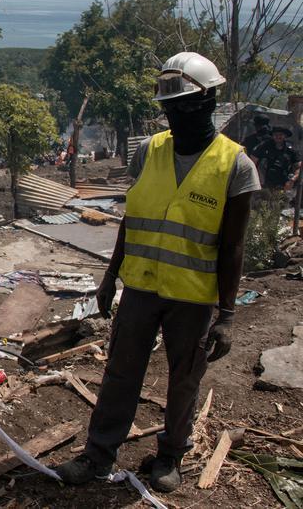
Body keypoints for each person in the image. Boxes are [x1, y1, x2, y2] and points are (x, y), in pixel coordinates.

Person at [54, 52, 259, 493]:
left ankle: (170, 456)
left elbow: (233, 246)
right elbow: (132, 218)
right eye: (170, 107)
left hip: (193, 296)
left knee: (184, 379)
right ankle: (98, 455)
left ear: (207, 102)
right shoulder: (149, 151)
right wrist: (111, 278)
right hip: (141, 288)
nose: (176, 115)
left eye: (185, 105)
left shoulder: (236, 167)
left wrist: (227, 315)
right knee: (120, 375)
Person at [256, 126, 300, 192]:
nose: (278, 137)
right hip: (265, 184)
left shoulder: (290, 151)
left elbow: (299, 167)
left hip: (284, 185)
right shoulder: (265, 147)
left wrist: (292, 180)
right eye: (275, 135)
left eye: (281, 135)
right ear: (272, 136)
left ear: (285, 136)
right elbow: (253, 159)